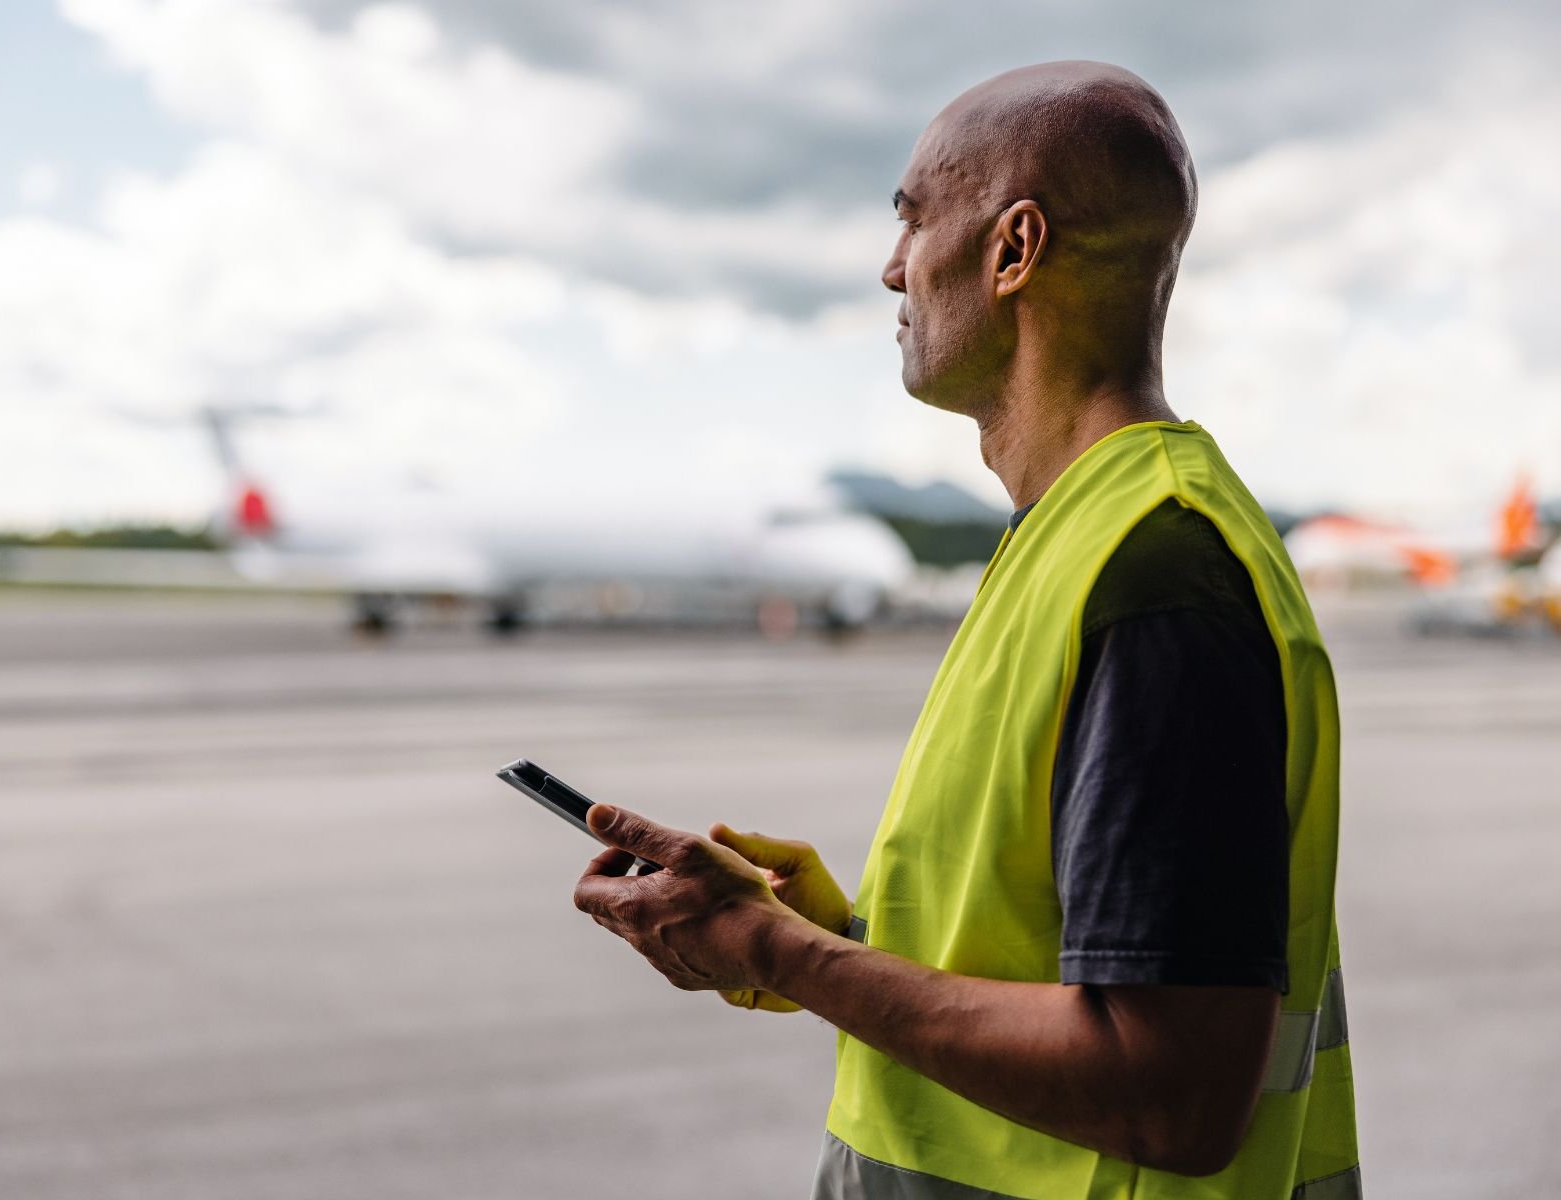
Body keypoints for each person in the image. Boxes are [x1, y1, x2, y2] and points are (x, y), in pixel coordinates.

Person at [572, 61, 1360, 1200]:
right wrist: (829, 936)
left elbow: (1171, 1091)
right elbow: (1046, 947)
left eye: (911, 219)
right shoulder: (1078, 533)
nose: (890, 267)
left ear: (1011, 250)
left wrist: (781, 954)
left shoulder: (1155, 570)